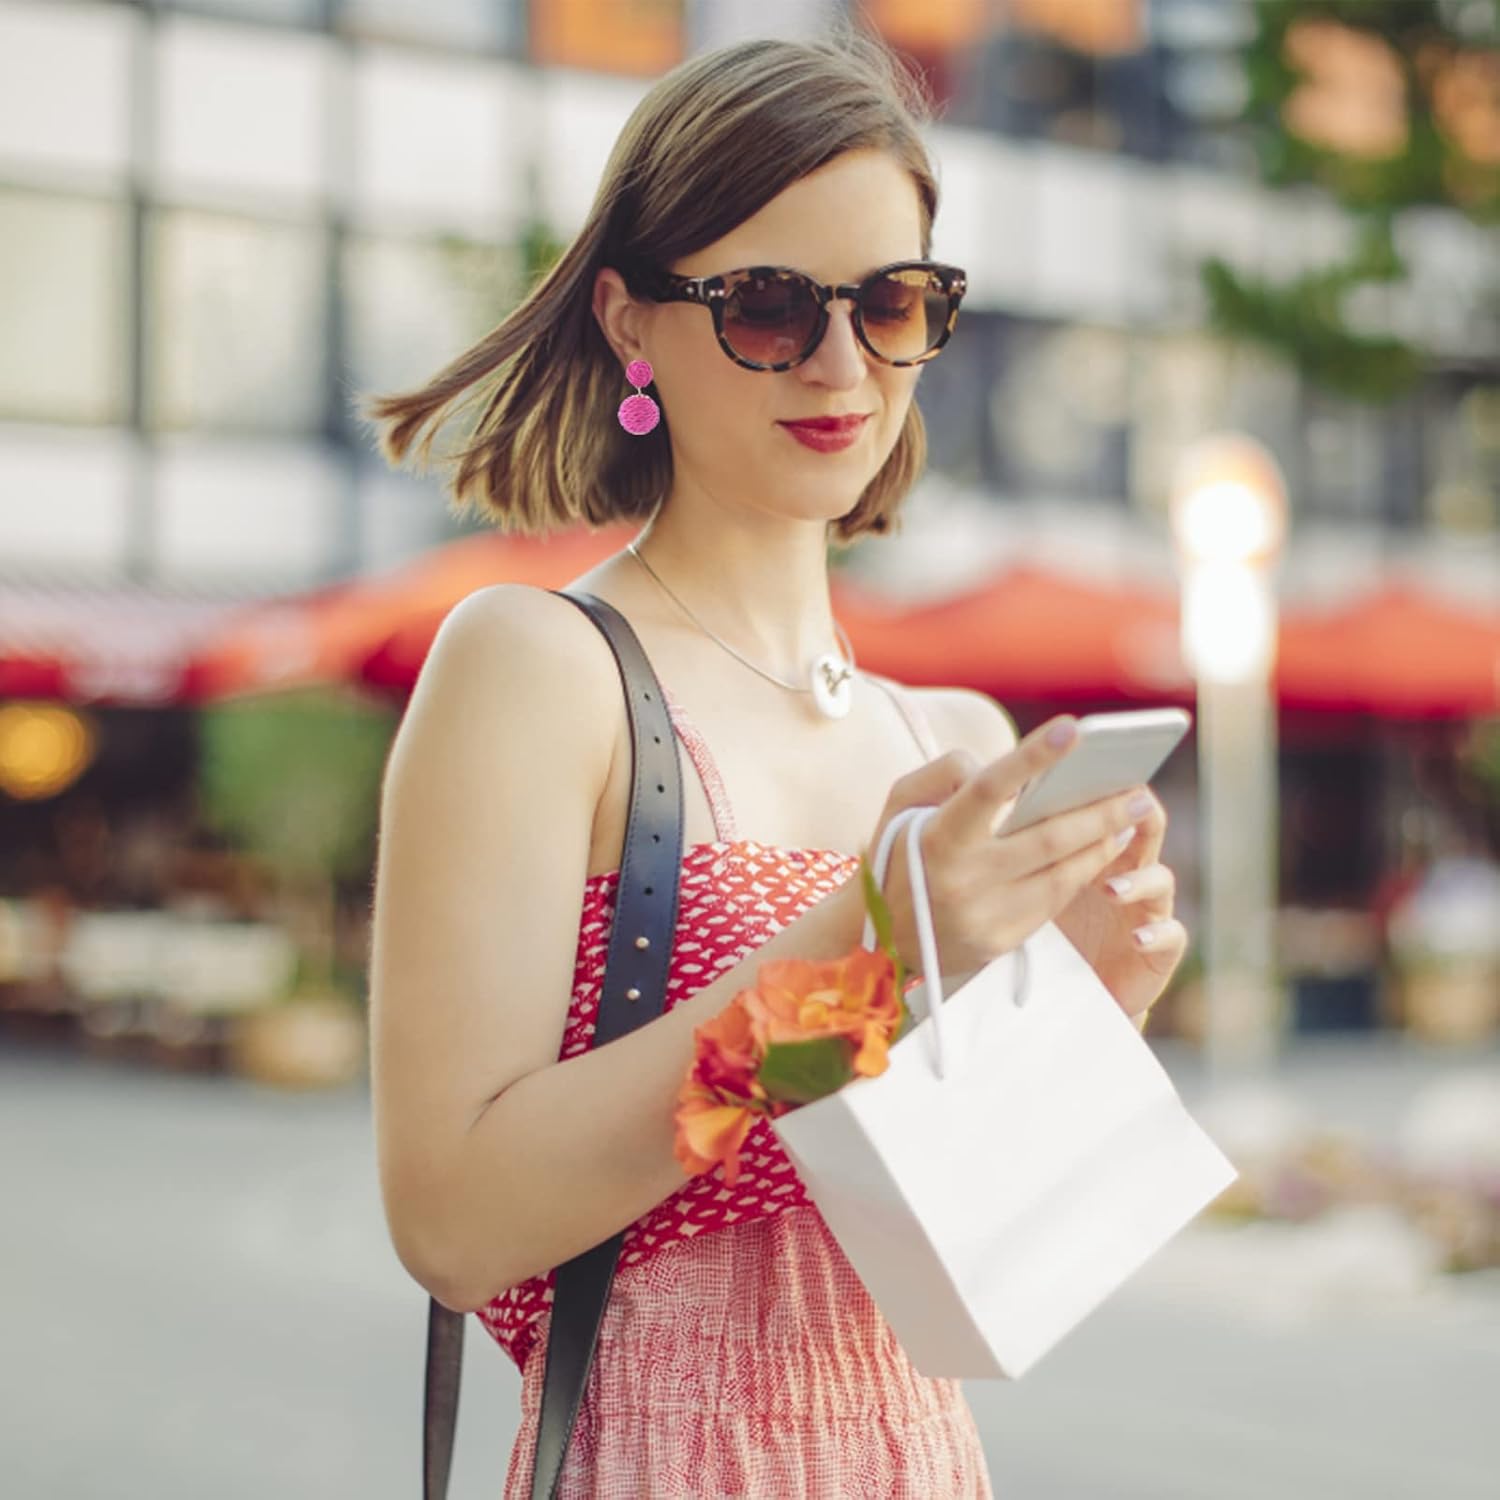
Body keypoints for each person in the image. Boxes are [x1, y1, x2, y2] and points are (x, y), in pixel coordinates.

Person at [362, 25, 1187, 1499]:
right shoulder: (538, 670)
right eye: (763, 305)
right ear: (630, 323)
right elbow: (456, 1222)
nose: (840, 363)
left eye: (893, 303)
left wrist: (1090, 1013)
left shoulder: (956, 741)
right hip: (663, 1460)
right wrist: (868, 955)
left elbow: (972, 1283)